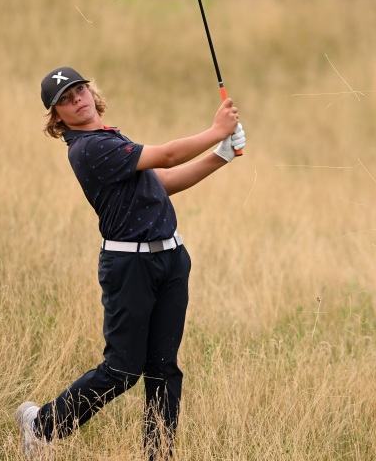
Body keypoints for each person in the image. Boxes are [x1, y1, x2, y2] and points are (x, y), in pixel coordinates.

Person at [15, 66, 246, 460]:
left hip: (171, 259)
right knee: (122, 370)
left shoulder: (109, 137)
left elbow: (163, 181)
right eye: (65, 101)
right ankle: (41, 426)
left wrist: (220, 156)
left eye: (80, 91)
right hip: (130, 266)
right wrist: (216, 131)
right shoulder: (88, 149)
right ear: (56, 118)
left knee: (164, 370)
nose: (77, 101)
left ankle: (158, 456)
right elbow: (170, 155)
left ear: (91, 92)